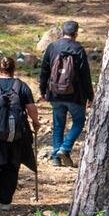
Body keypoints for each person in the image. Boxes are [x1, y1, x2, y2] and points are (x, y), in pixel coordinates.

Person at [0, 57, 40, 210]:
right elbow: (31, 109)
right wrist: (36, 122)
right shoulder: (22, 86)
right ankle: (5, 200)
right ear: (13, 69)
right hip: (15, 133)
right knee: (12, 165)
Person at [38, 20, 94, 167]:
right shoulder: (78, 49)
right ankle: (65, 147)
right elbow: (85, 75)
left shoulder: (52, 47)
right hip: (75, 95)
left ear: (62, 33)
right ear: (75, 33)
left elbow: (44, 71)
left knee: (58, 125)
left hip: (55, 94)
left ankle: (56, 156)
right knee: (79, 122)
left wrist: (43, 90)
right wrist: (90, 96)